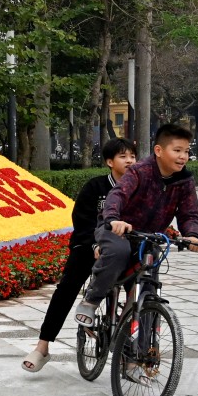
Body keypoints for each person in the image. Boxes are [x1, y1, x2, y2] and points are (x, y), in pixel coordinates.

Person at [22, 137, 138, 372]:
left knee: (138, 289)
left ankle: (127, 350)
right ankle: (42, 347)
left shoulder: (139, 187)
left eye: (133, 156)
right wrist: (94, 246)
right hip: (89, 246)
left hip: (123, 248)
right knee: (67, 288)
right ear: (109, 161)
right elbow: (82, 223)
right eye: (123, 156)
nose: (129, 161)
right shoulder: (95, 187)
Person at [74, 123, 198, 332]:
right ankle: (91, 300)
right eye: (177, 150)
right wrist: (114, 219)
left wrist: (192, 235)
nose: (183, 156)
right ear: (159, 151)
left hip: (149, 237)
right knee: (119, 251)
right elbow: (117, 195)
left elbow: (188, 212)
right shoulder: (139, 171)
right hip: (117, 230)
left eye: (186, 151)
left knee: (149, 288)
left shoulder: (185, 181)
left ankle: (141, 356)